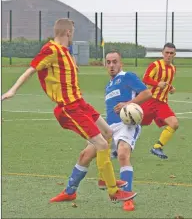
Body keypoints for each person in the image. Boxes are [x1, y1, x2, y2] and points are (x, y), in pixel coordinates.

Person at [1, 18, 136, 203]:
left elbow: (64, 65)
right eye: (73, 33)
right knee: (102, 145)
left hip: (80, 103)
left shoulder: (65, 51)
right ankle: (113, 190)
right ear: (68, 33)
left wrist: (72, 64)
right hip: (68, 108)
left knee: (108, 132)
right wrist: (12, 90)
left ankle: (103, 178)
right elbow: (31, 69)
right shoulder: (50, 50)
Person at [102, 51, 152, 211]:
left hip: (126, 124)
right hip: (110, 128)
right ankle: (70, 190)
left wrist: (127, 104)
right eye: (108, 62)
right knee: (88, 154)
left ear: (120, 63)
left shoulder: (127, 76)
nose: (111, 65)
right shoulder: (108, 86)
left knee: (123, 154)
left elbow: (147, 93)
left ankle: (127, 197)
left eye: (114, 62)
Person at [141, 42, 179, 159]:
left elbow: (166, 83)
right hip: (149, 100)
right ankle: (116, 147)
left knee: (174, 124)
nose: (168, 55)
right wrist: (157, 83)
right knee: (132, 124)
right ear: (162, 53)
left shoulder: (173, 68)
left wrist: (170, 88)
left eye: (171, 53)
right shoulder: (155, 65)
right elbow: (145, 79)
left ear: (174, 55)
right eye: (166, 52)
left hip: (162, 103)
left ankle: (157, 147)